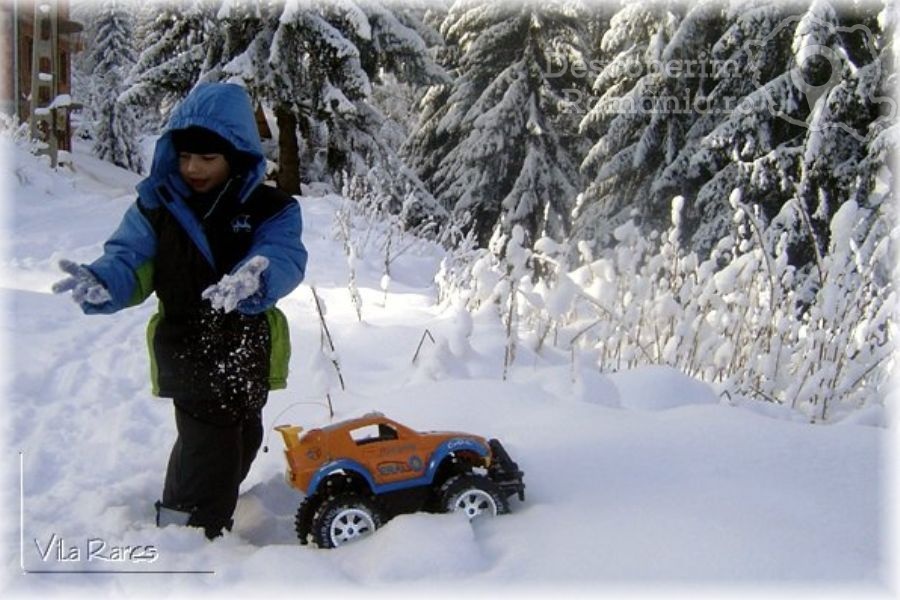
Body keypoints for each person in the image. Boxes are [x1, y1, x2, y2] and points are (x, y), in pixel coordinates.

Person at [52, 82, 308, 539]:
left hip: (248, 348)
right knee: (209, 445)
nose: (192, 168)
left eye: (207, 159)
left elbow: (284, 252)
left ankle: (201, 510)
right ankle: (186, 534)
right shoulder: (157, 207)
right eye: (186, 156)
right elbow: (129, 258)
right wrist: (104, 282)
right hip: (188, 346)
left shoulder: (270, 208)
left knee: (243, 438)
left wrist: (259, 275)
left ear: (236, 156)